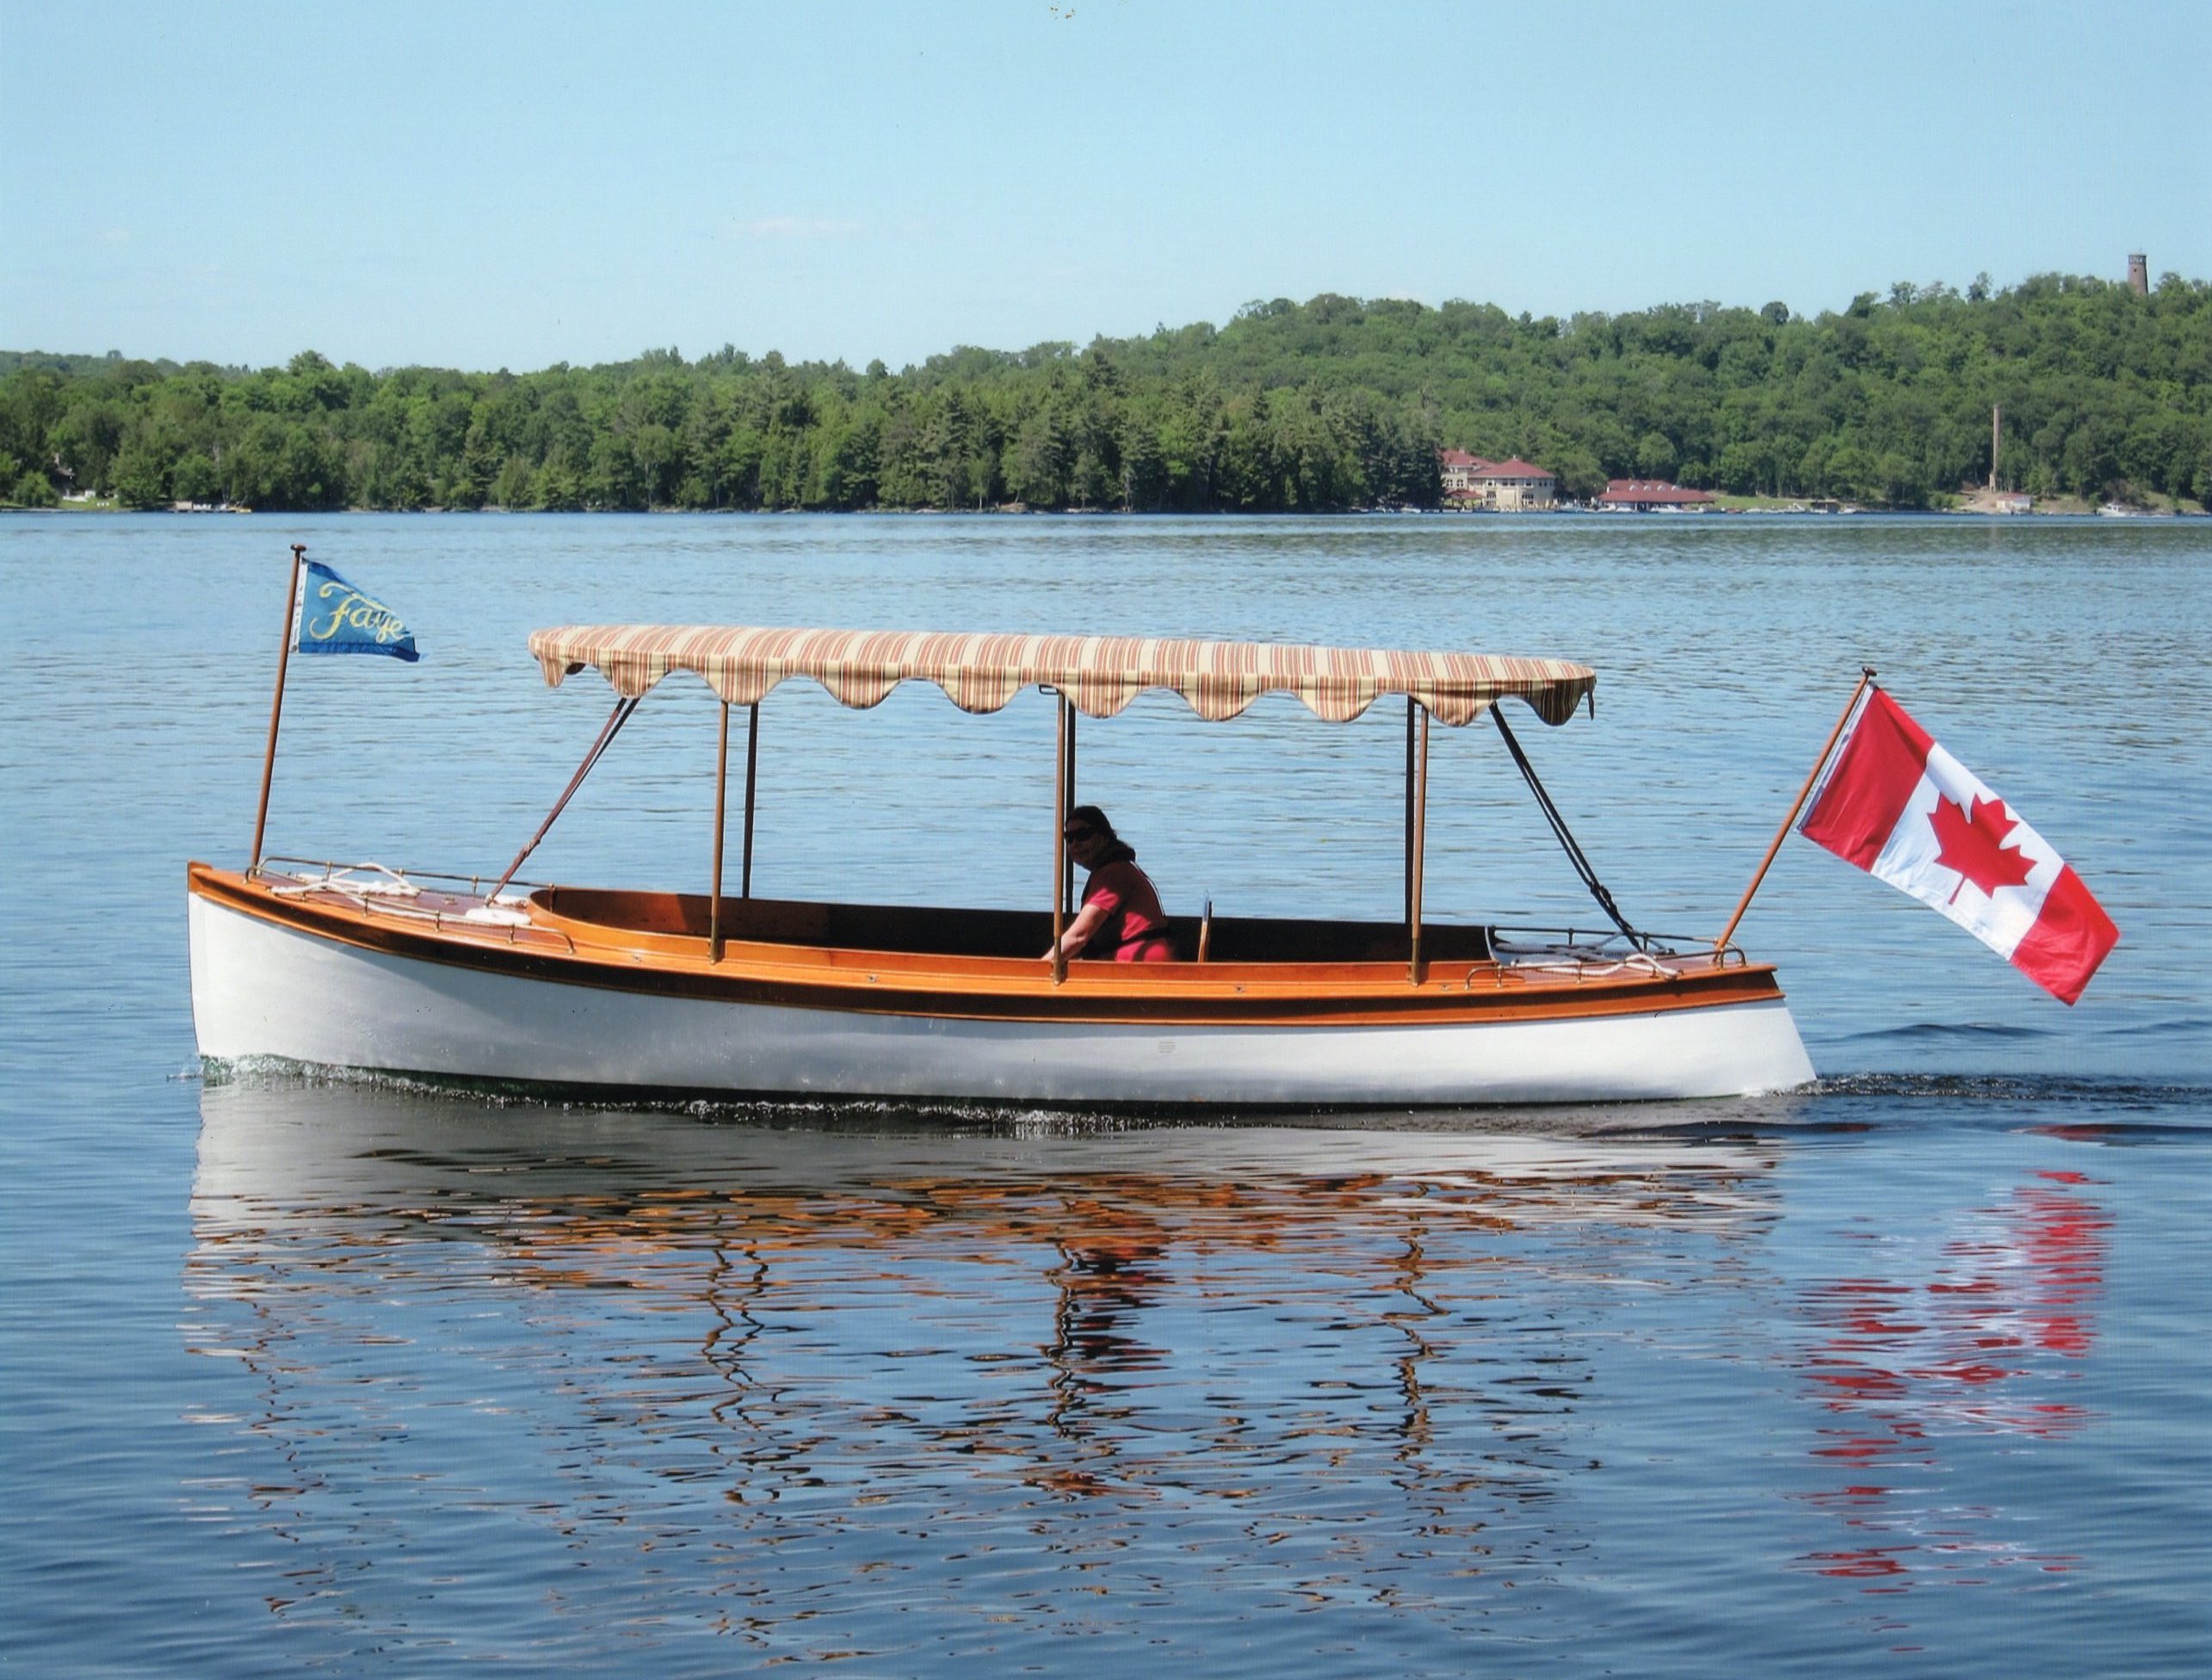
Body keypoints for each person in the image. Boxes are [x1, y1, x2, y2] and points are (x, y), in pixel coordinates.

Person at [1045, 805, 1175, 963]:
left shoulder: (1112, 874)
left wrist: (1038, 971)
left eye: (1083, 834)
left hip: (1141, 964)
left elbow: (1078, 936)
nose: (1075, 844)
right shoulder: (1115, 868)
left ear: (1104, 837)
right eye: (1069, 838)